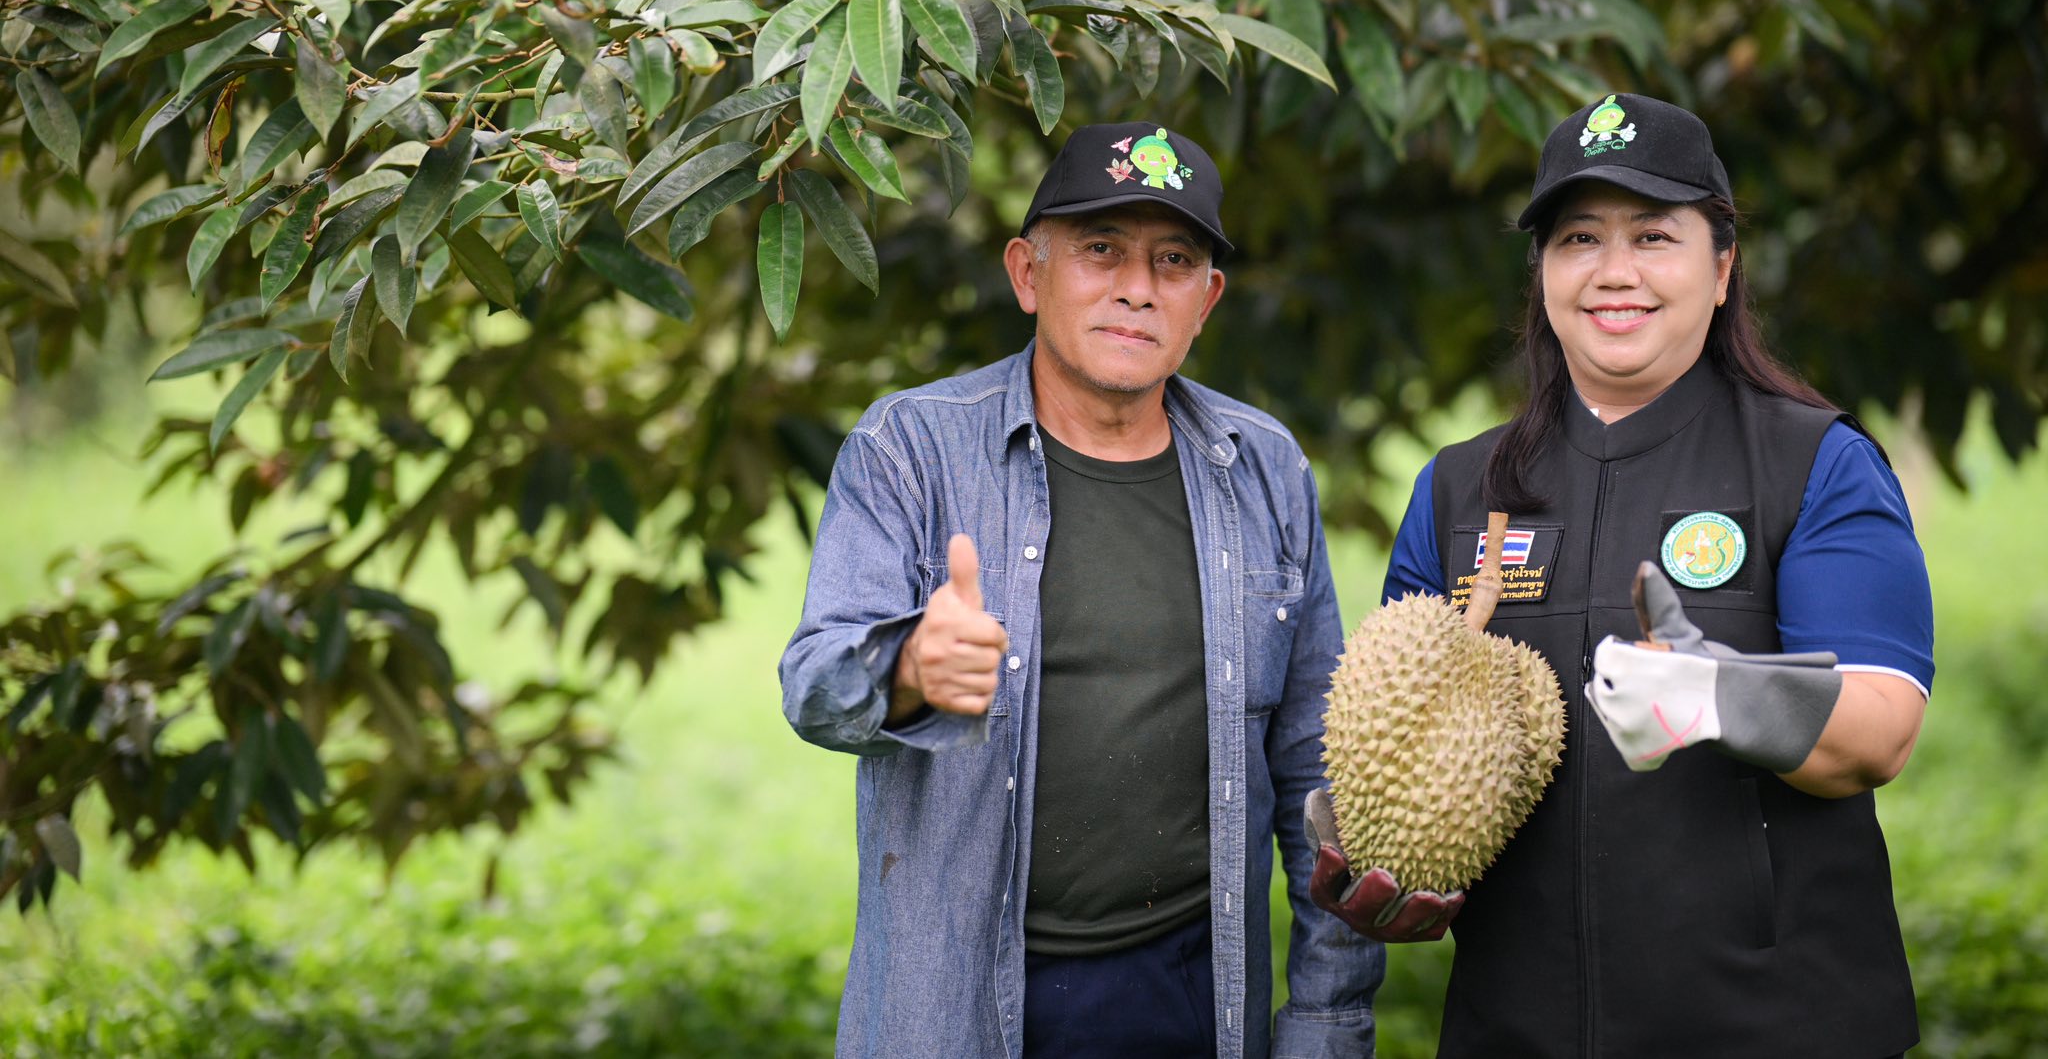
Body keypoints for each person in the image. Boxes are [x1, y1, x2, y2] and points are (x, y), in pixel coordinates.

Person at [1313, 93, 1932, 1056]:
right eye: (1577, 239)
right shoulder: (1459, 489)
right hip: (1514, 1032)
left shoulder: (1815, 463)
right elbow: (1402, 751)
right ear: (1544, 274)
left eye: (1654, 235)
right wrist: (1372, 846)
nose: (1613, 273)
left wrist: (1718, 696)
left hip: (1778, 1029)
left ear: (1721, 268)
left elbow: (1882, 728)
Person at [780, 123, 1379, 1059]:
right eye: (1101, 250)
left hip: (1192, 988)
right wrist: (908, 666)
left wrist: (1327, 1020)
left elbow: (1319, 766)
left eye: (1173, 260)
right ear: (1028, 273)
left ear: (1206, 300)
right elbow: (813, 684)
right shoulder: (911, 448)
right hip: (961, 999)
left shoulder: (1264, 467)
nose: (1137, 287)